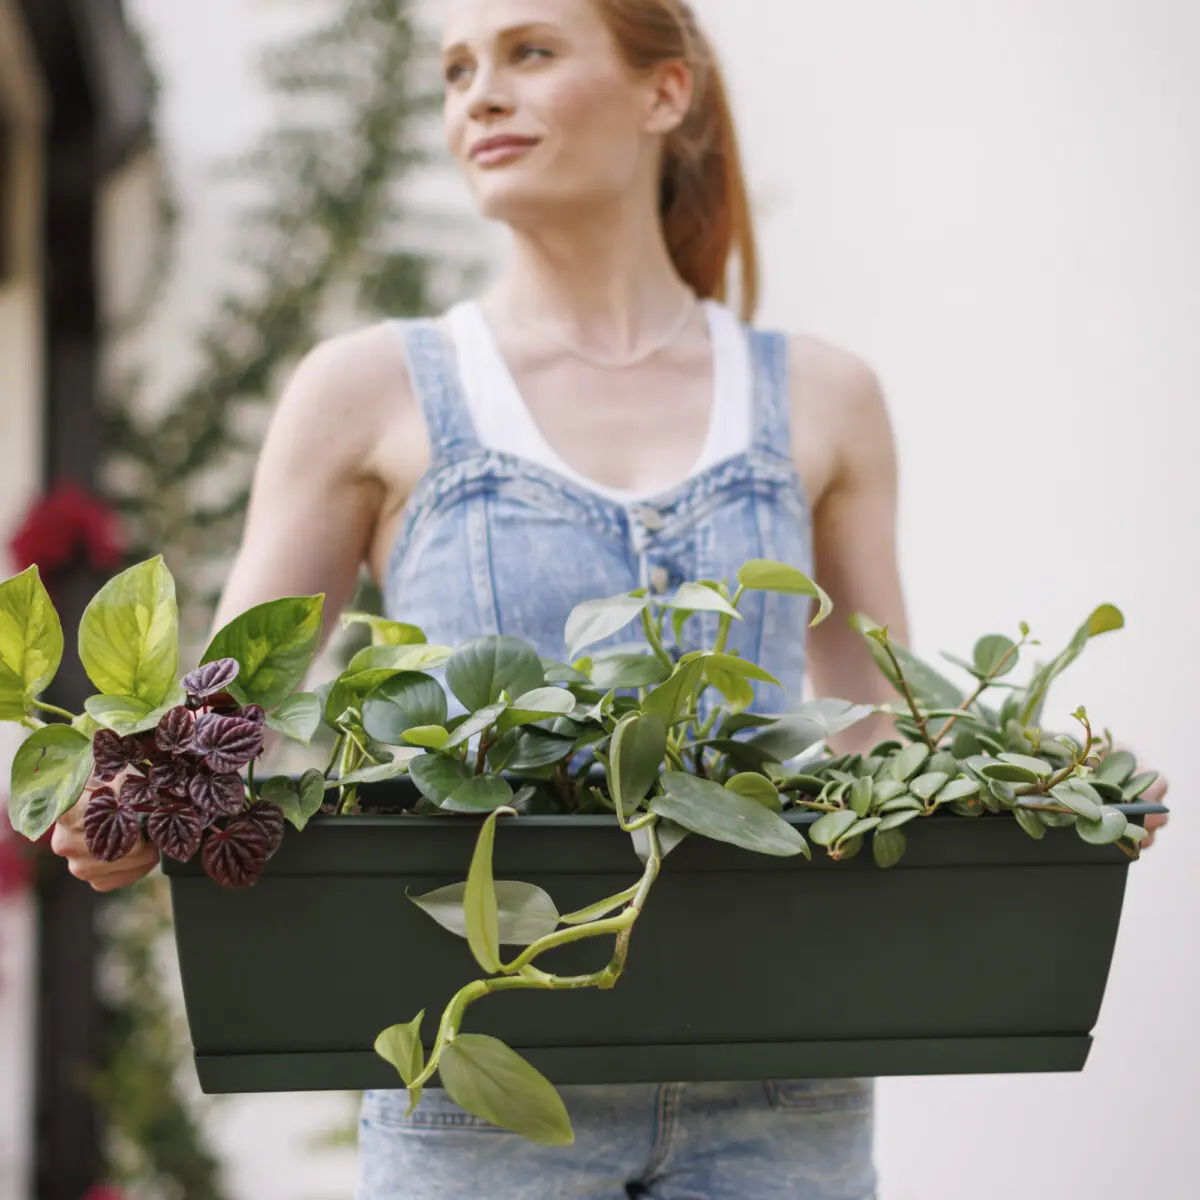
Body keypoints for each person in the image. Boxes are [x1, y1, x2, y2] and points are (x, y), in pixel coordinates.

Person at [50, 0, 1170, 1196]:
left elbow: (877, 725)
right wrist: (139, 794)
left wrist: (1055, 794)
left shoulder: (824, 399)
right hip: (478, 1094)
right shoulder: (371, 391)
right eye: (457, 70)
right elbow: (238, 712)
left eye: (530, 53)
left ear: (663, 92)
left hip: (788, 1082)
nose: (478, 95)